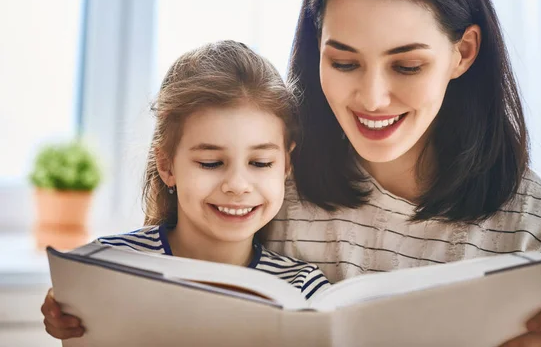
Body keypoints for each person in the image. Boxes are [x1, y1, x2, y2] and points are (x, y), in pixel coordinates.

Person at [260, 0, 541, 346]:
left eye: (407, 67)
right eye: (344, 63)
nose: (372, 99)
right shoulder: (266, 192)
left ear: (464, 53)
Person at [40, 40, 330, 340]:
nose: (238, 185)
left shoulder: (303, 289)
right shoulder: (109, 265)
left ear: (286, 164)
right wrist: (68, 308)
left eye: (260, 162)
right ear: (167, 166)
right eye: (210, 163)